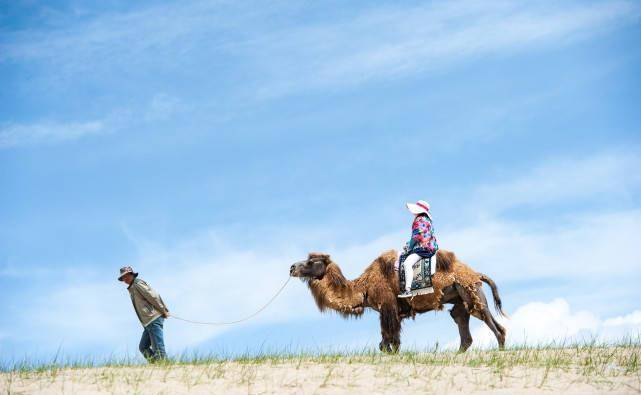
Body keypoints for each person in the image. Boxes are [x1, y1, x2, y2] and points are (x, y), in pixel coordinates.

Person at [118, 266, 170, 362]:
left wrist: (163, 310)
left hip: (153, 319)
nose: (125, 279)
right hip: (148, 323)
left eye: (126, 276)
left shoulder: (138, 283)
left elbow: (153, 296)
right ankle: (157, 366)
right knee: (143, 347)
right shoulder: (132, 287)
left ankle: (165, 367)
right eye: (123, 277)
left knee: (158, 348)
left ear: (132, 274)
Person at [398, 200, 439, 298]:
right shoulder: (427, 220)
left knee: (407, 263)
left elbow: (416, 237)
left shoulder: (419, 220)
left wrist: (409, 247)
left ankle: (408, 290)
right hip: (432, 248)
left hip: (423, 249)